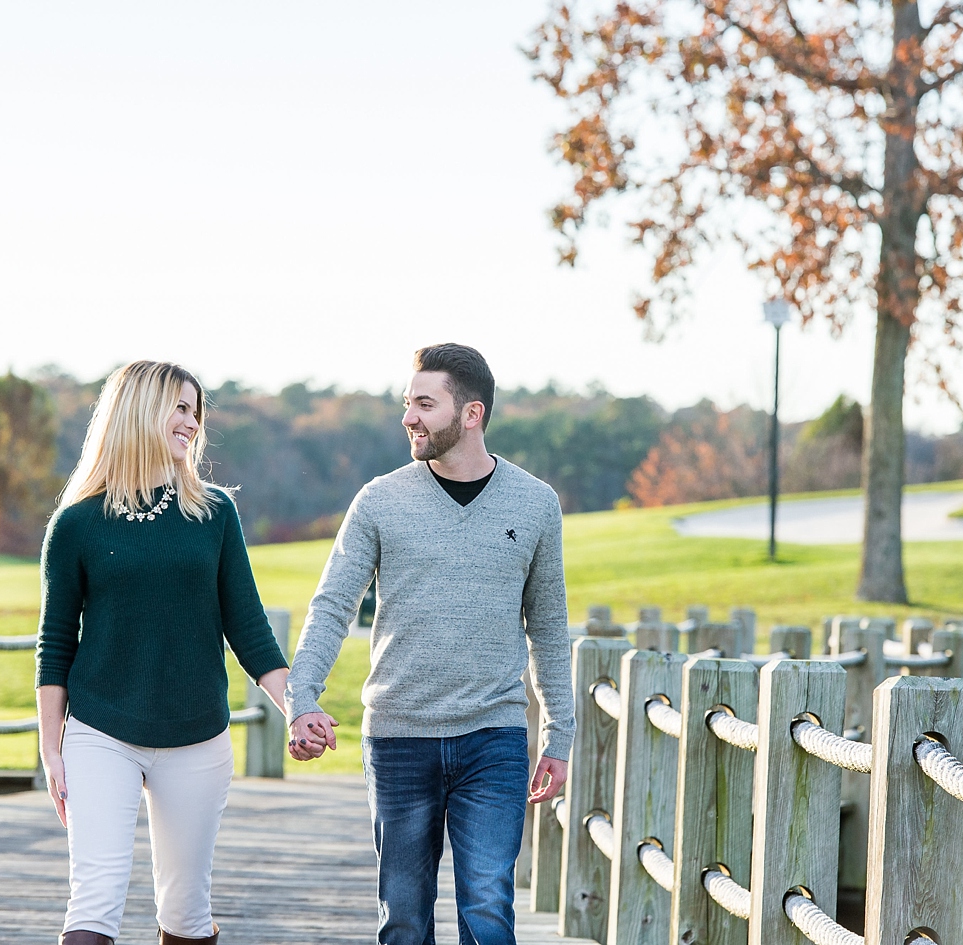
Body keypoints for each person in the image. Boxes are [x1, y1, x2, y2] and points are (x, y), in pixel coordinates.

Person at [285, 343, 576, 945]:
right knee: (404, 916)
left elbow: (547, 626)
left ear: (470, 414)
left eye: (424, 403)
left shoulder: (536, 503)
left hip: (493, 738)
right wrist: (302, 698)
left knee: (490, 910)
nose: (408, 417)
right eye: (406, 403)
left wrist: (559, 736)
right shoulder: (380, 501)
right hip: (398, 739)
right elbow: (333, 605)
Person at [35, 360, 289, 945]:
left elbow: (248, 627)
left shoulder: (215, 513)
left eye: (196, 411)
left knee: (186, 913)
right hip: (102, 732)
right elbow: (54, 647)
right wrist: (53, 750)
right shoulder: (75, 525)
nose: (192, 422)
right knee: (94, 902)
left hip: (197, 735)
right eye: (179, 406)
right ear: (138, 410)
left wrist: (297, 708)